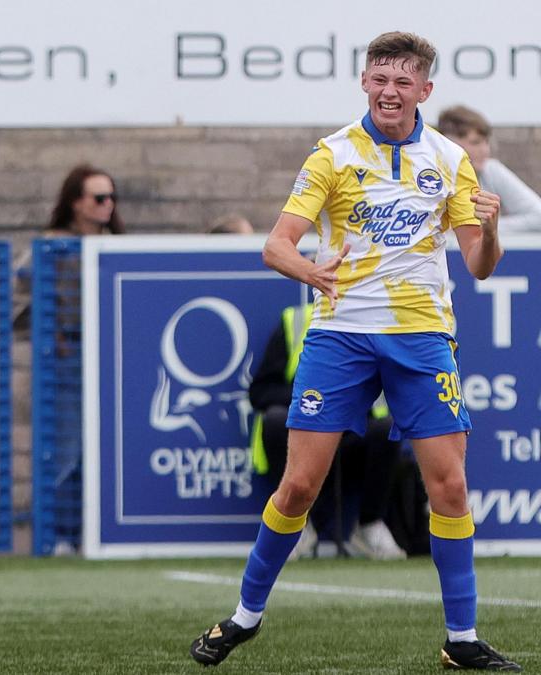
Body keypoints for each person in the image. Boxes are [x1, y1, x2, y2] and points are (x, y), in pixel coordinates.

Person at [190, 32, 520, 670]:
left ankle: (462, 640)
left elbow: (479, 264)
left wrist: (494, 226)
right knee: (298, 487)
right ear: (364, 82)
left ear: (425, 90)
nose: (389, 92)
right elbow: (276, 245)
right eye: (379, 79)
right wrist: (312, 272)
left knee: (450, 486)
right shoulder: (332, 154)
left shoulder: (451, 158)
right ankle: (244, 616)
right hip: (340, 334)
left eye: (403, 82)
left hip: (422, 335)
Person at [250, 302, 407, 561]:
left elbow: (387, 388)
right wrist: (313, 400)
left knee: (385, 429)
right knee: (275, 420)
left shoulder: (372, 321)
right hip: (303, 429)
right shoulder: (296, 321)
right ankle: (297, 527)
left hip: (352, 431)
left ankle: (369, 526)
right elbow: (260, 392)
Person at [438, 105, 541, 233]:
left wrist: (484, 227)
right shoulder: (428, 175)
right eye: (475, 142)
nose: (485, 150)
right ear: (450, 143)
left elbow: (538, 216)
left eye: (486, 142)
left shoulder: (490, 170)